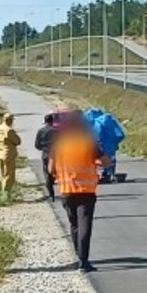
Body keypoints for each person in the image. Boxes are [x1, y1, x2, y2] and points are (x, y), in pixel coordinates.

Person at [52, 111, 108, 272]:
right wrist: (98, 162)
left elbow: (51, 168)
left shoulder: (60, 144)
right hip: (86, 190)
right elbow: (105, 161)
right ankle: (83, 260)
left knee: (74, 224)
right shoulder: (88, 143)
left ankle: (78, 254)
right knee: (85, 224)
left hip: (66, 190)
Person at [34, 111, 64, 200]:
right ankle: (63, 192)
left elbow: (37, 145)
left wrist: (43, 148)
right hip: (57, 154)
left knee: (47, 174)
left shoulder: (41, 131)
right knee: (60, 173)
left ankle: (51, 194)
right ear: (52, 121)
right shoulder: (58, 131)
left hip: (46, 154)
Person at [0, 112, 22, 193]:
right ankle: (6, 193)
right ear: (9, 120)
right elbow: (17, 141)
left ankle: (3, 191)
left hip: (0, 153)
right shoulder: (9, 130)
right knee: (10, 176)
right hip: (9, 154)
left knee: (3, 175)